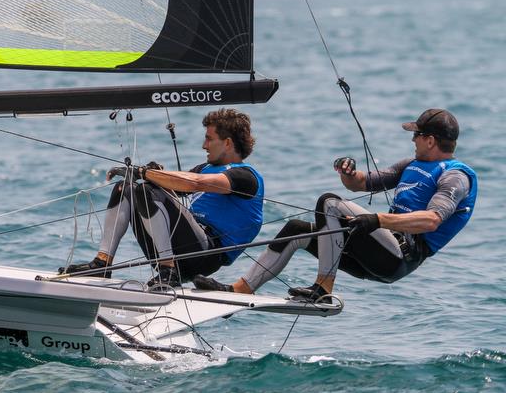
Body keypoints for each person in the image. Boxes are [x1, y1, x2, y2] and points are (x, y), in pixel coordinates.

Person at [193, 108, 477, 301]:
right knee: (296, 229)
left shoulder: (455, 175)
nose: (412, 140)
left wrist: (378, 220)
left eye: (416, 135)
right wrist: (348, 172)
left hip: (400, 256)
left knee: (329, 203)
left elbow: (431, 220)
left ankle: (322, 288)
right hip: (379, 247)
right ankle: (242, 289)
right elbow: (361, 184)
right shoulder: (411, 165)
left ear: (429, 140)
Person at [58, 108, 264, 288]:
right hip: (182, 247)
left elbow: (195, 183)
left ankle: (168, 271)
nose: (204, 145)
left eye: (209, 138)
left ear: (227, 143)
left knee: (146, 191)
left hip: (206, 256)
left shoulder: (244, 176)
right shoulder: (207, 168)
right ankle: (102, 264)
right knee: (126, 188)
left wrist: (144, 174)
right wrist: (155, 173)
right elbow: (177, 188)